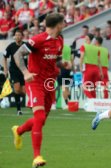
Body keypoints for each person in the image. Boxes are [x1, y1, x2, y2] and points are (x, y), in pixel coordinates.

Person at [11, 13, 70, 167]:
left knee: (41, 120)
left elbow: (56, 58)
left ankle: (18, 131)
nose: (64, 25)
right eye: (63, 22)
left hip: (50, 83)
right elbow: (18, 55)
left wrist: (62, 64)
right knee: (39, 116)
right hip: (35, 81)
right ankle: (37, 157)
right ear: (58, 24)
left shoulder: (60, 39)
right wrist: (25, 72)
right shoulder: (37, 40)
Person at [3, 30, 27, 115]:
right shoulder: (11, 46)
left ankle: (32, 103)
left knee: (24, 91)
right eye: (16, 35)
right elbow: (5, 57)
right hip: (14, 70)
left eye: (19, 35)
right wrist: (5, 69)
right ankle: (19, 109)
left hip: (24, 71)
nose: (17, 37)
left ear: (22, 36)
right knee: (17, 88)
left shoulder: (26, 46)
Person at [79, 33, 103, 103]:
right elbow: (99, 61)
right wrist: (101, 72)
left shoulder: (83, 46)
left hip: (88, 68)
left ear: (89, 40)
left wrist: (80, 67)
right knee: (93, 88)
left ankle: (91, 101)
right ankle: (94, 103)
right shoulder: (96, 48)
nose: (85, 40)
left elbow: (82, 57)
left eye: (86, 38)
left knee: (84, 86)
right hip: (96, 69)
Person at [57, 44, 74, 108]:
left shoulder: (58, 47)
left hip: (62, 68)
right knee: (66, 86)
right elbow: (72, 59)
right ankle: (70, 101)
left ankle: (67, 104)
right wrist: (73, 69)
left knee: (63, 87)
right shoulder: (68, 47)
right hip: (68, 69)